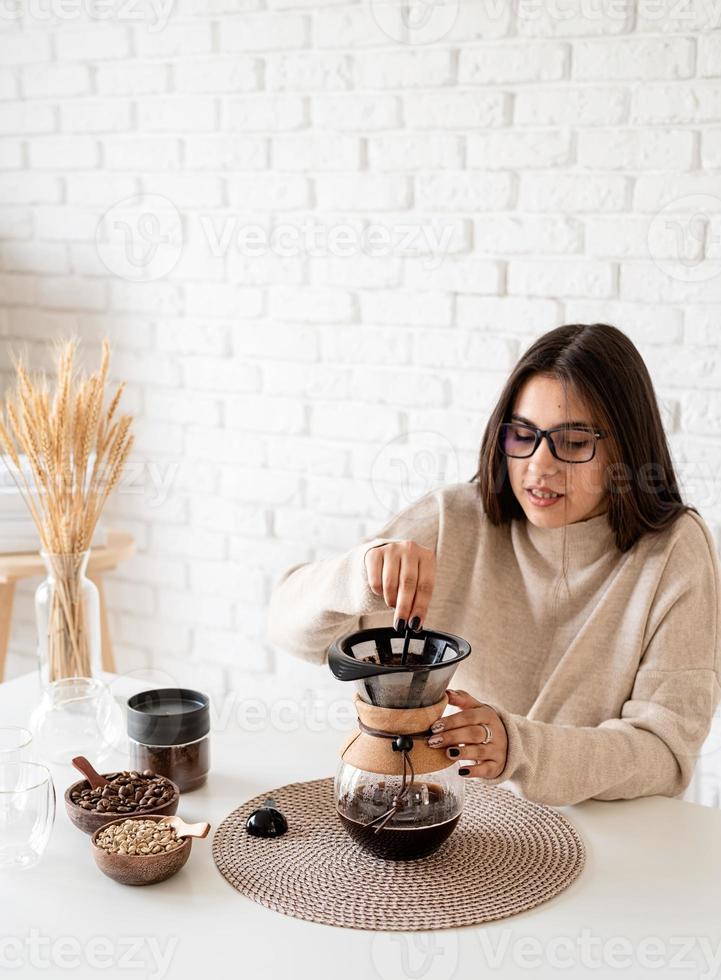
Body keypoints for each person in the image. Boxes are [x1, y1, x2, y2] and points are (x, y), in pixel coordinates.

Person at [266, 323, 721, 806]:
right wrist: (360, 573)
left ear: (625, 449)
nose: (539, 466)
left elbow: (665, 754)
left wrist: (519, 748)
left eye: (571, 443)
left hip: (612, 847)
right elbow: (287, 629)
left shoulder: (674, 551)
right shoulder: (454, 519)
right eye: (523, 434)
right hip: (461, 825)